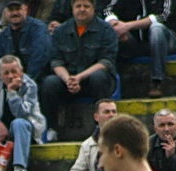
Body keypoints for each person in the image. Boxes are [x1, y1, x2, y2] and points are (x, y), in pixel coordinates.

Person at [41, 0, 118, 140]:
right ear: (72, 8)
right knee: (49, 83)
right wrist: (68, 79)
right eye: (78, 6)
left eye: (86, 6)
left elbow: (106, 62)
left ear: (93, 8)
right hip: (68, 80)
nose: (82, 9)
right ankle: (53, 128)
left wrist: (79, 77)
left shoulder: (106, 30)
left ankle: (101, 128)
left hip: (93, 79)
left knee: (99, 77)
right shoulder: (60, 31)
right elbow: (56, 61)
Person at [103, 0, 176, 98]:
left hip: (166, 41)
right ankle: (116, 83)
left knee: (156, 28)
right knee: (115, 32)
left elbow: (162, 16)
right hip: (136, 41)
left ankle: (157, 81)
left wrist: (127, 26)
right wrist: (114, 23)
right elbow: (108, 10)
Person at [62, 98, 119, 171]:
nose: (111, 115)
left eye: (114, 112)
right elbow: (75, 170)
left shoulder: (126, 140)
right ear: (96, 117)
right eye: (107, 112)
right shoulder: (87, 144)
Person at [0, 1, 52, 84]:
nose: (14, 13)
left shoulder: (38, 28)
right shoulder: (3, 36)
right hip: (10, 80)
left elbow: (39, 60)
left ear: (26, 9)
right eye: (11, 10)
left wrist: (24, 82)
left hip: (37, 79)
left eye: (18, 9)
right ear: (5, 12)